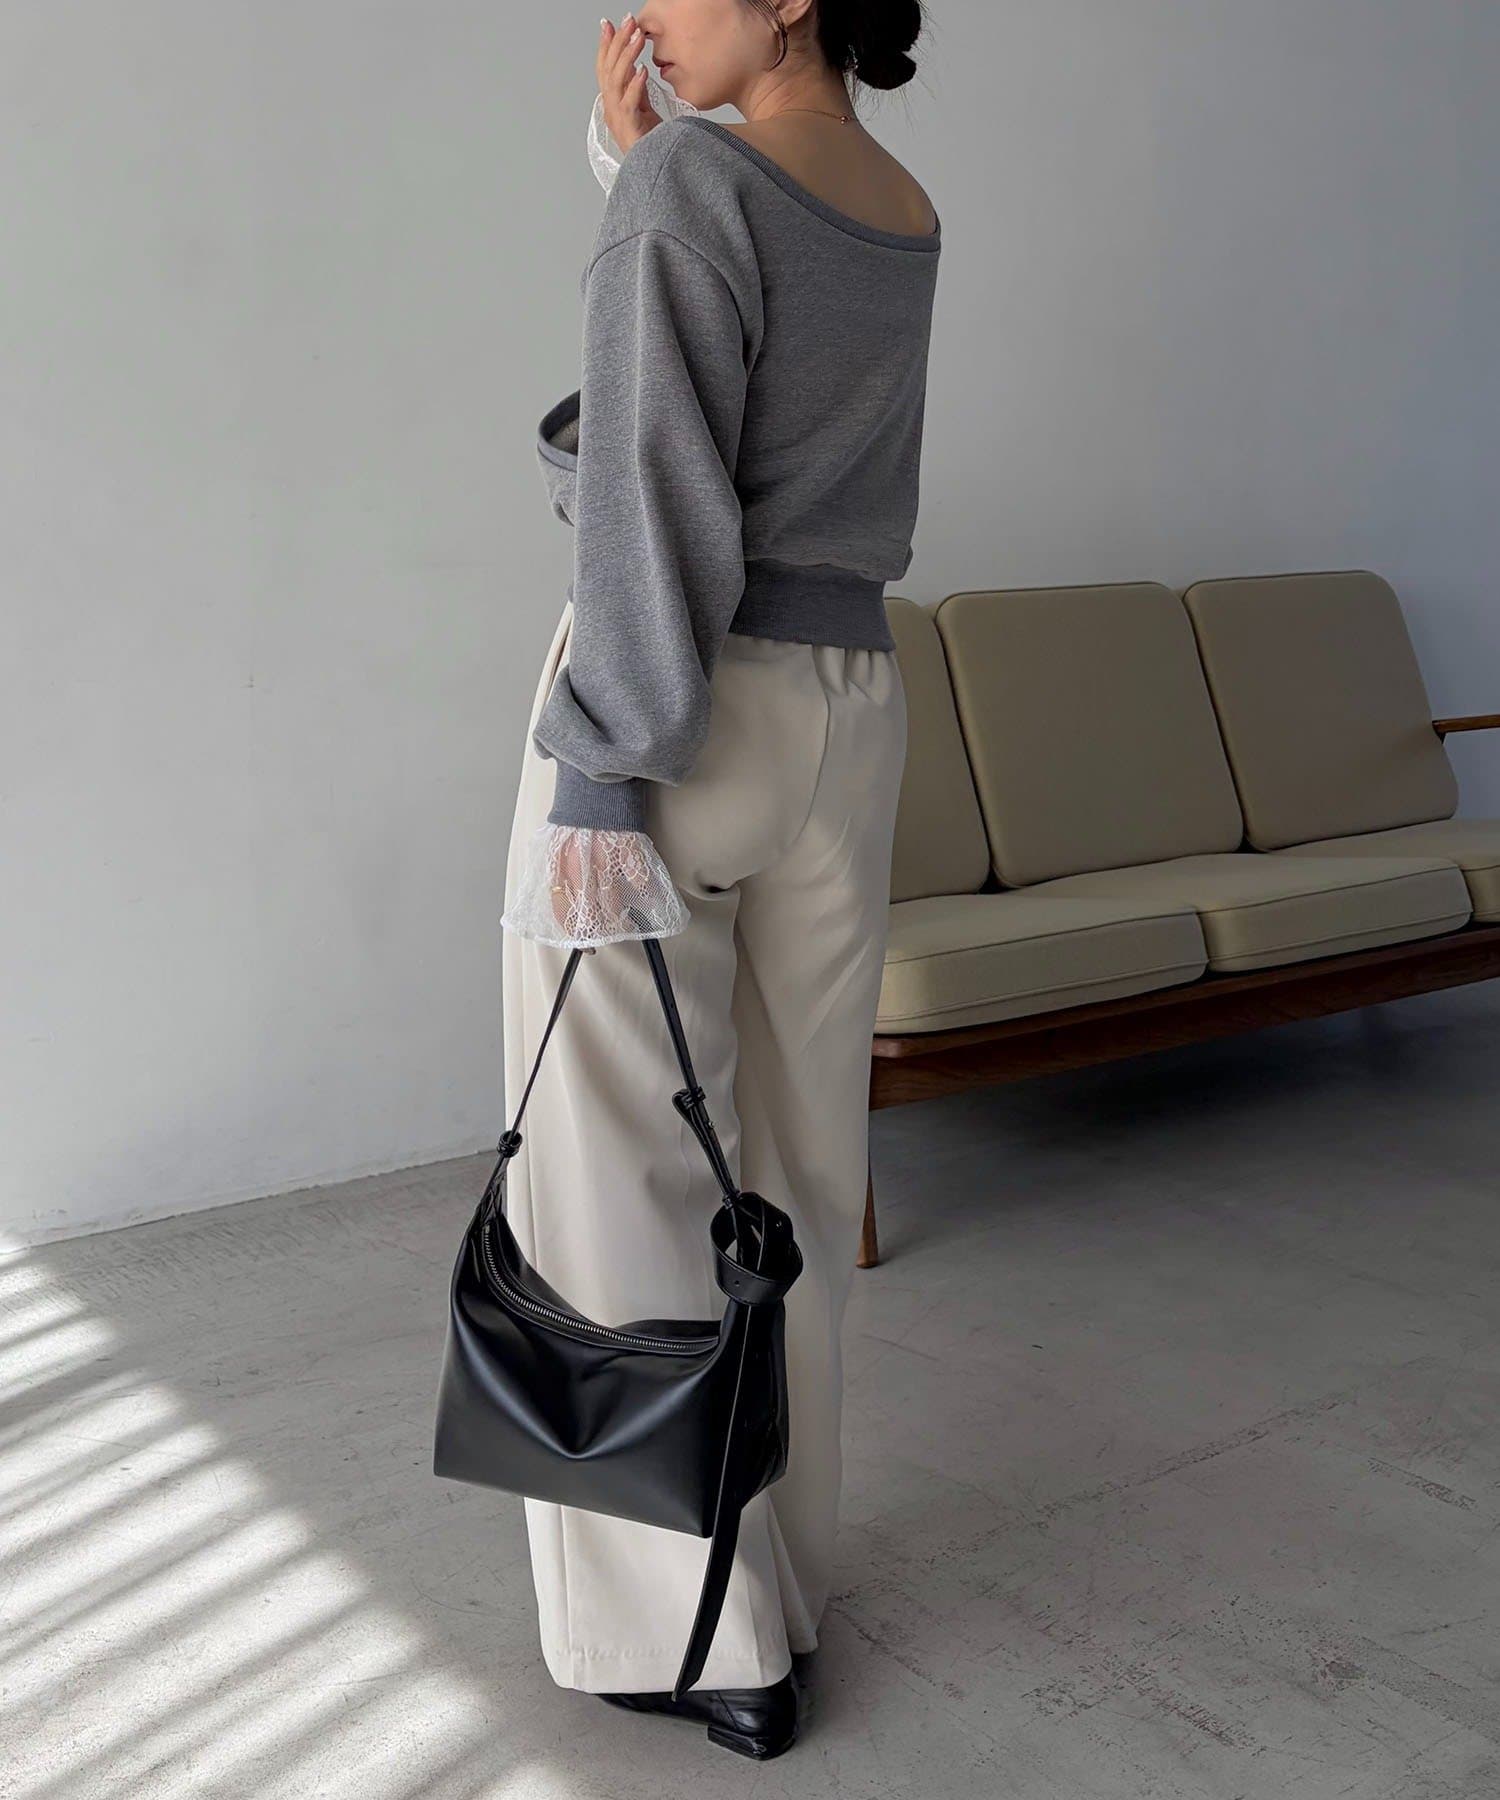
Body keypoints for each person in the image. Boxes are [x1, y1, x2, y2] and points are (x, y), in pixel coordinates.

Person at [499, 0, 941, 1762]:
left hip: (679, 711)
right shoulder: (897, 199)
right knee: (800, 1169)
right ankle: (788, 1581)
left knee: (621, 1177)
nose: (642, 15)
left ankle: (703, 1633)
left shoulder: (693, 186)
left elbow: (651, 490)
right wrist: (639, 183)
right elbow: (761, 432)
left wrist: (603, 764)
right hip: (849, 710)